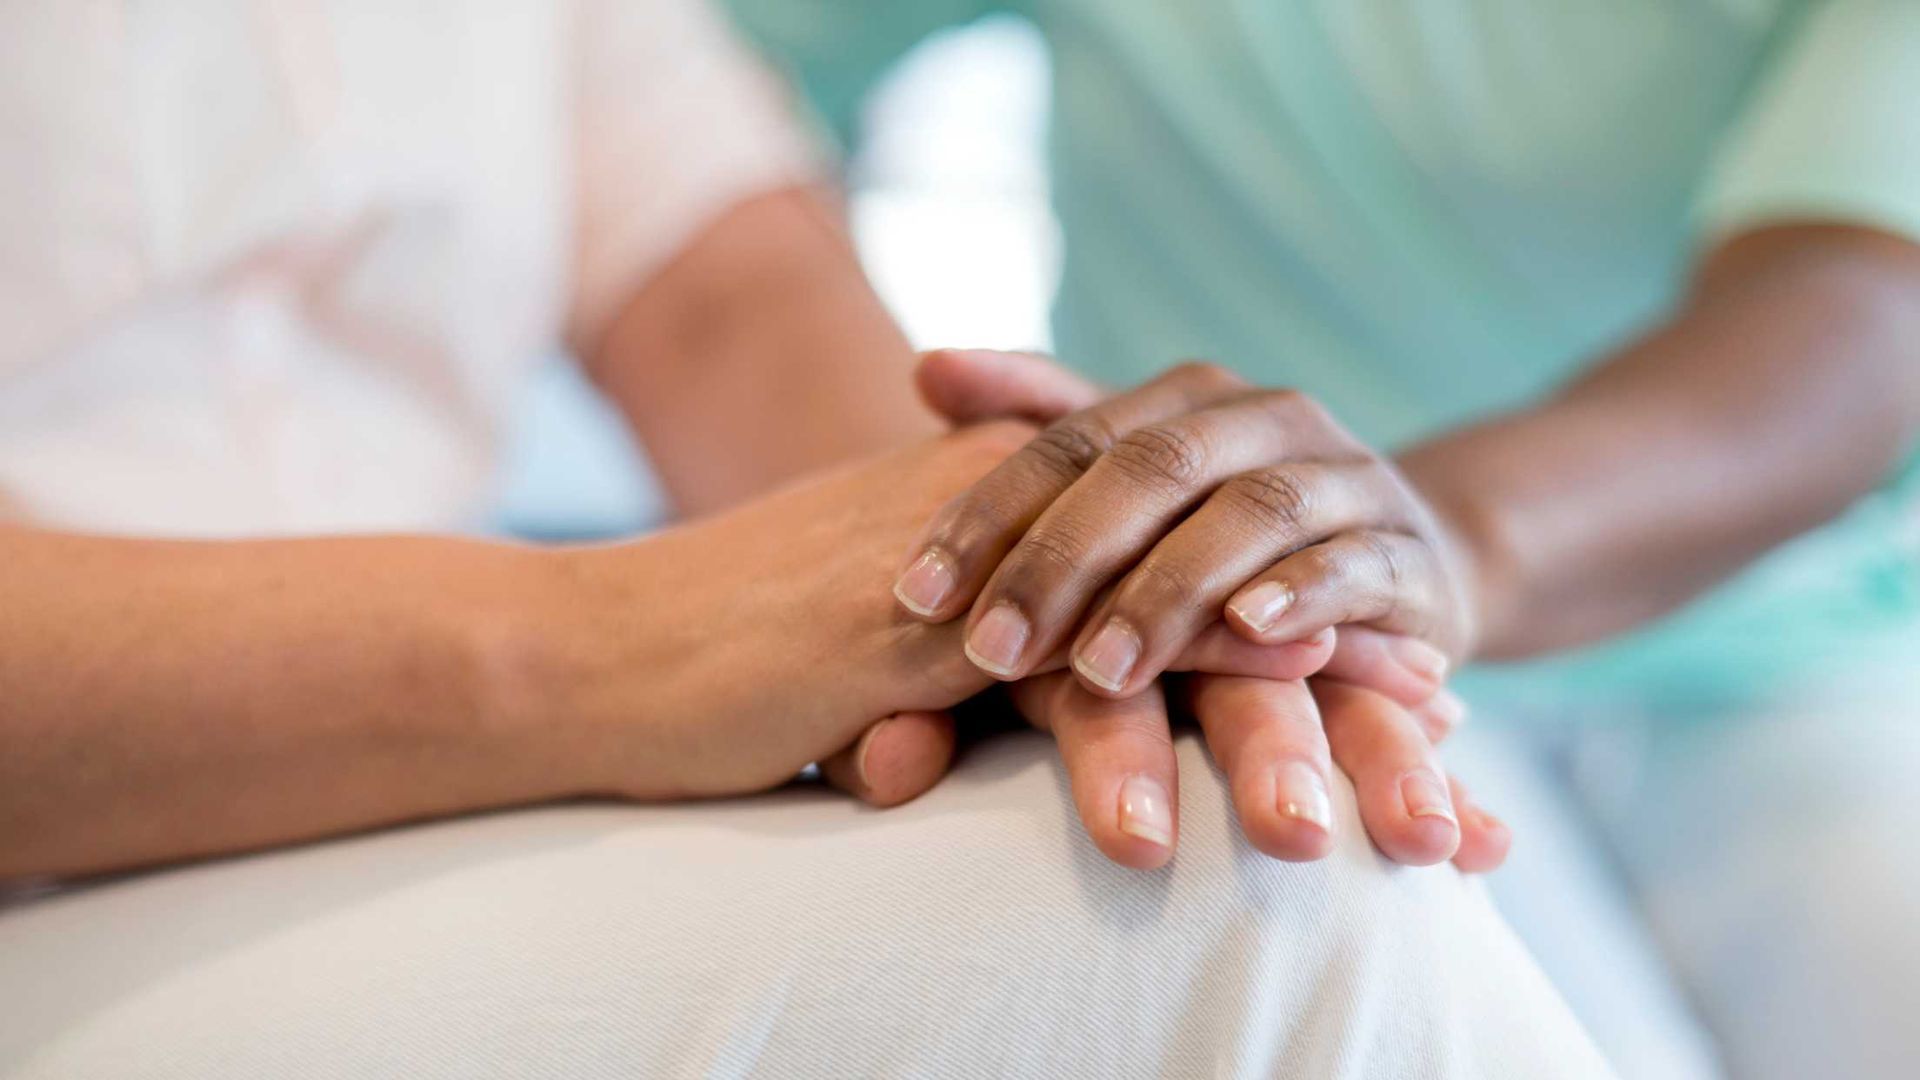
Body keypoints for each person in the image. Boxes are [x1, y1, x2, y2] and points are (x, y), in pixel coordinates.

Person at [0, 3, 1609, 1077]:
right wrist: (629, 641)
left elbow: (712, 275)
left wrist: (1049, 565)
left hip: (390, 795)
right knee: (1261, 929)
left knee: (1261, 825)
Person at [723, 2, 1920, 1078]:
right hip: (1246, 644)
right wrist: (952, 518)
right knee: (1398, 990)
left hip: (1777, 649)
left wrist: (1443, 541)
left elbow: (1860, 312)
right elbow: (693, 145)